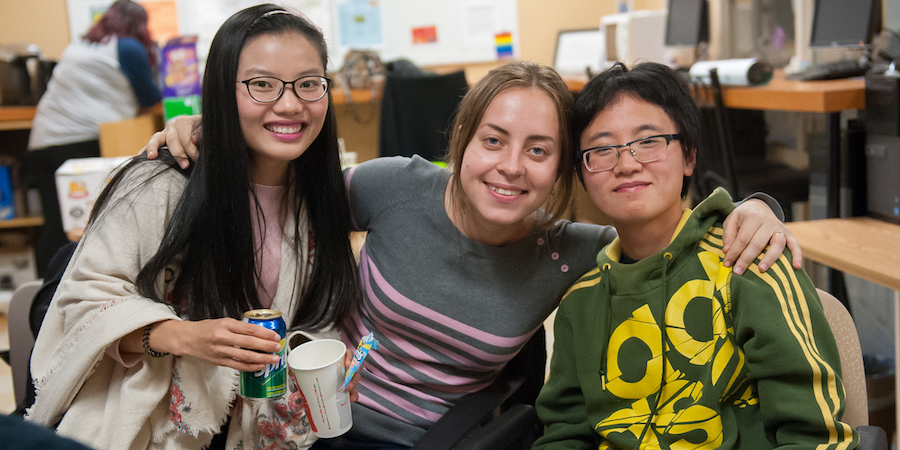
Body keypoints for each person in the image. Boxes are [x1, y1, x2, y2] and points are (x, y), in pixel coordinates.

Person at [143, 61, 800, 449]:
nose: (511, 168)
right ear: (463, 139)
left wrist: (755, 205)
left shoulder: (572, 252)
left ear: (563, 170)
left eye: (539, 151)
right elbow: (274, 198)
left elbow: (665, 219)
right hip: (297, 422)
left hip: (426, 442)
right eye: (494, 140)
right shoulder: (395, 187)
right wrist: (210, 136)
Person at [26, 5, 362, 450]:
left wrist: (321, 361)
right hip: (159, 426)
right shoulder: (162, 182)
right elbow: (81, 303)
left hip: (263, 427)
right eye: (262, 84)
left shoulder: (323, 196)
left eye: (308, 84)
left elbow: (318, 316)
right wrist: (183, 336)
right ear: (223, 91)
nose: (289, 104)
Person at [533, 62, 857, 449]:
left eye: (648, 142)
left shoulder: (749, 262)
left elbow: (811, 435)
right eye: (602, 149)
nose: (627, 163)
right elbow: (564, 434)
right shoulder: (579, 301)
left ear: (688, 156)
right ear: (583, 173)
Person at [24, 0, 162, 276]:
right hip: (81, 143)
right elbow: (150, 96)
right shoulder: (129, 47)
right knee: (91, 221)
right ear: (139, 25)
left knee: (55, 223)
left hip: (42, 140)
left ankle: (45, 291)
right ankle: (79, 284)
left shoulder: (80, 45)